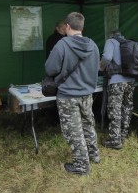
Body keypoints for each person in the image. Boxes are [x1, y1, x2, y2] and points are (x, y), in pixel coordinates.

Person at [45, 12, 100, 175]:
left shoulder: (62, 44)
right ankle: (93, 155)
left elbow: (50, 69)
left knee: (73, 131)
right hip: (87, 94)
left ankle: (82, 166)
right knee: (88, 125)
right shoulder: (93, 45)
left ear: (68, 26)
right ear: (81, 27)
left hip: (68, 95)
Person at [100, 30, 135, 149]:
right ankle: (123, 134)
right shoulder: (128, 43)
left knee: (115, 110)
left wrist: (100, 67)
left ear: (111, 35)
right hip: (130, 81)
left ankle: (115, 140)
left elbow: (107, 57)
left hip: (116, 82)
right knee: (127, 107)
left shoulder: (111, 41)